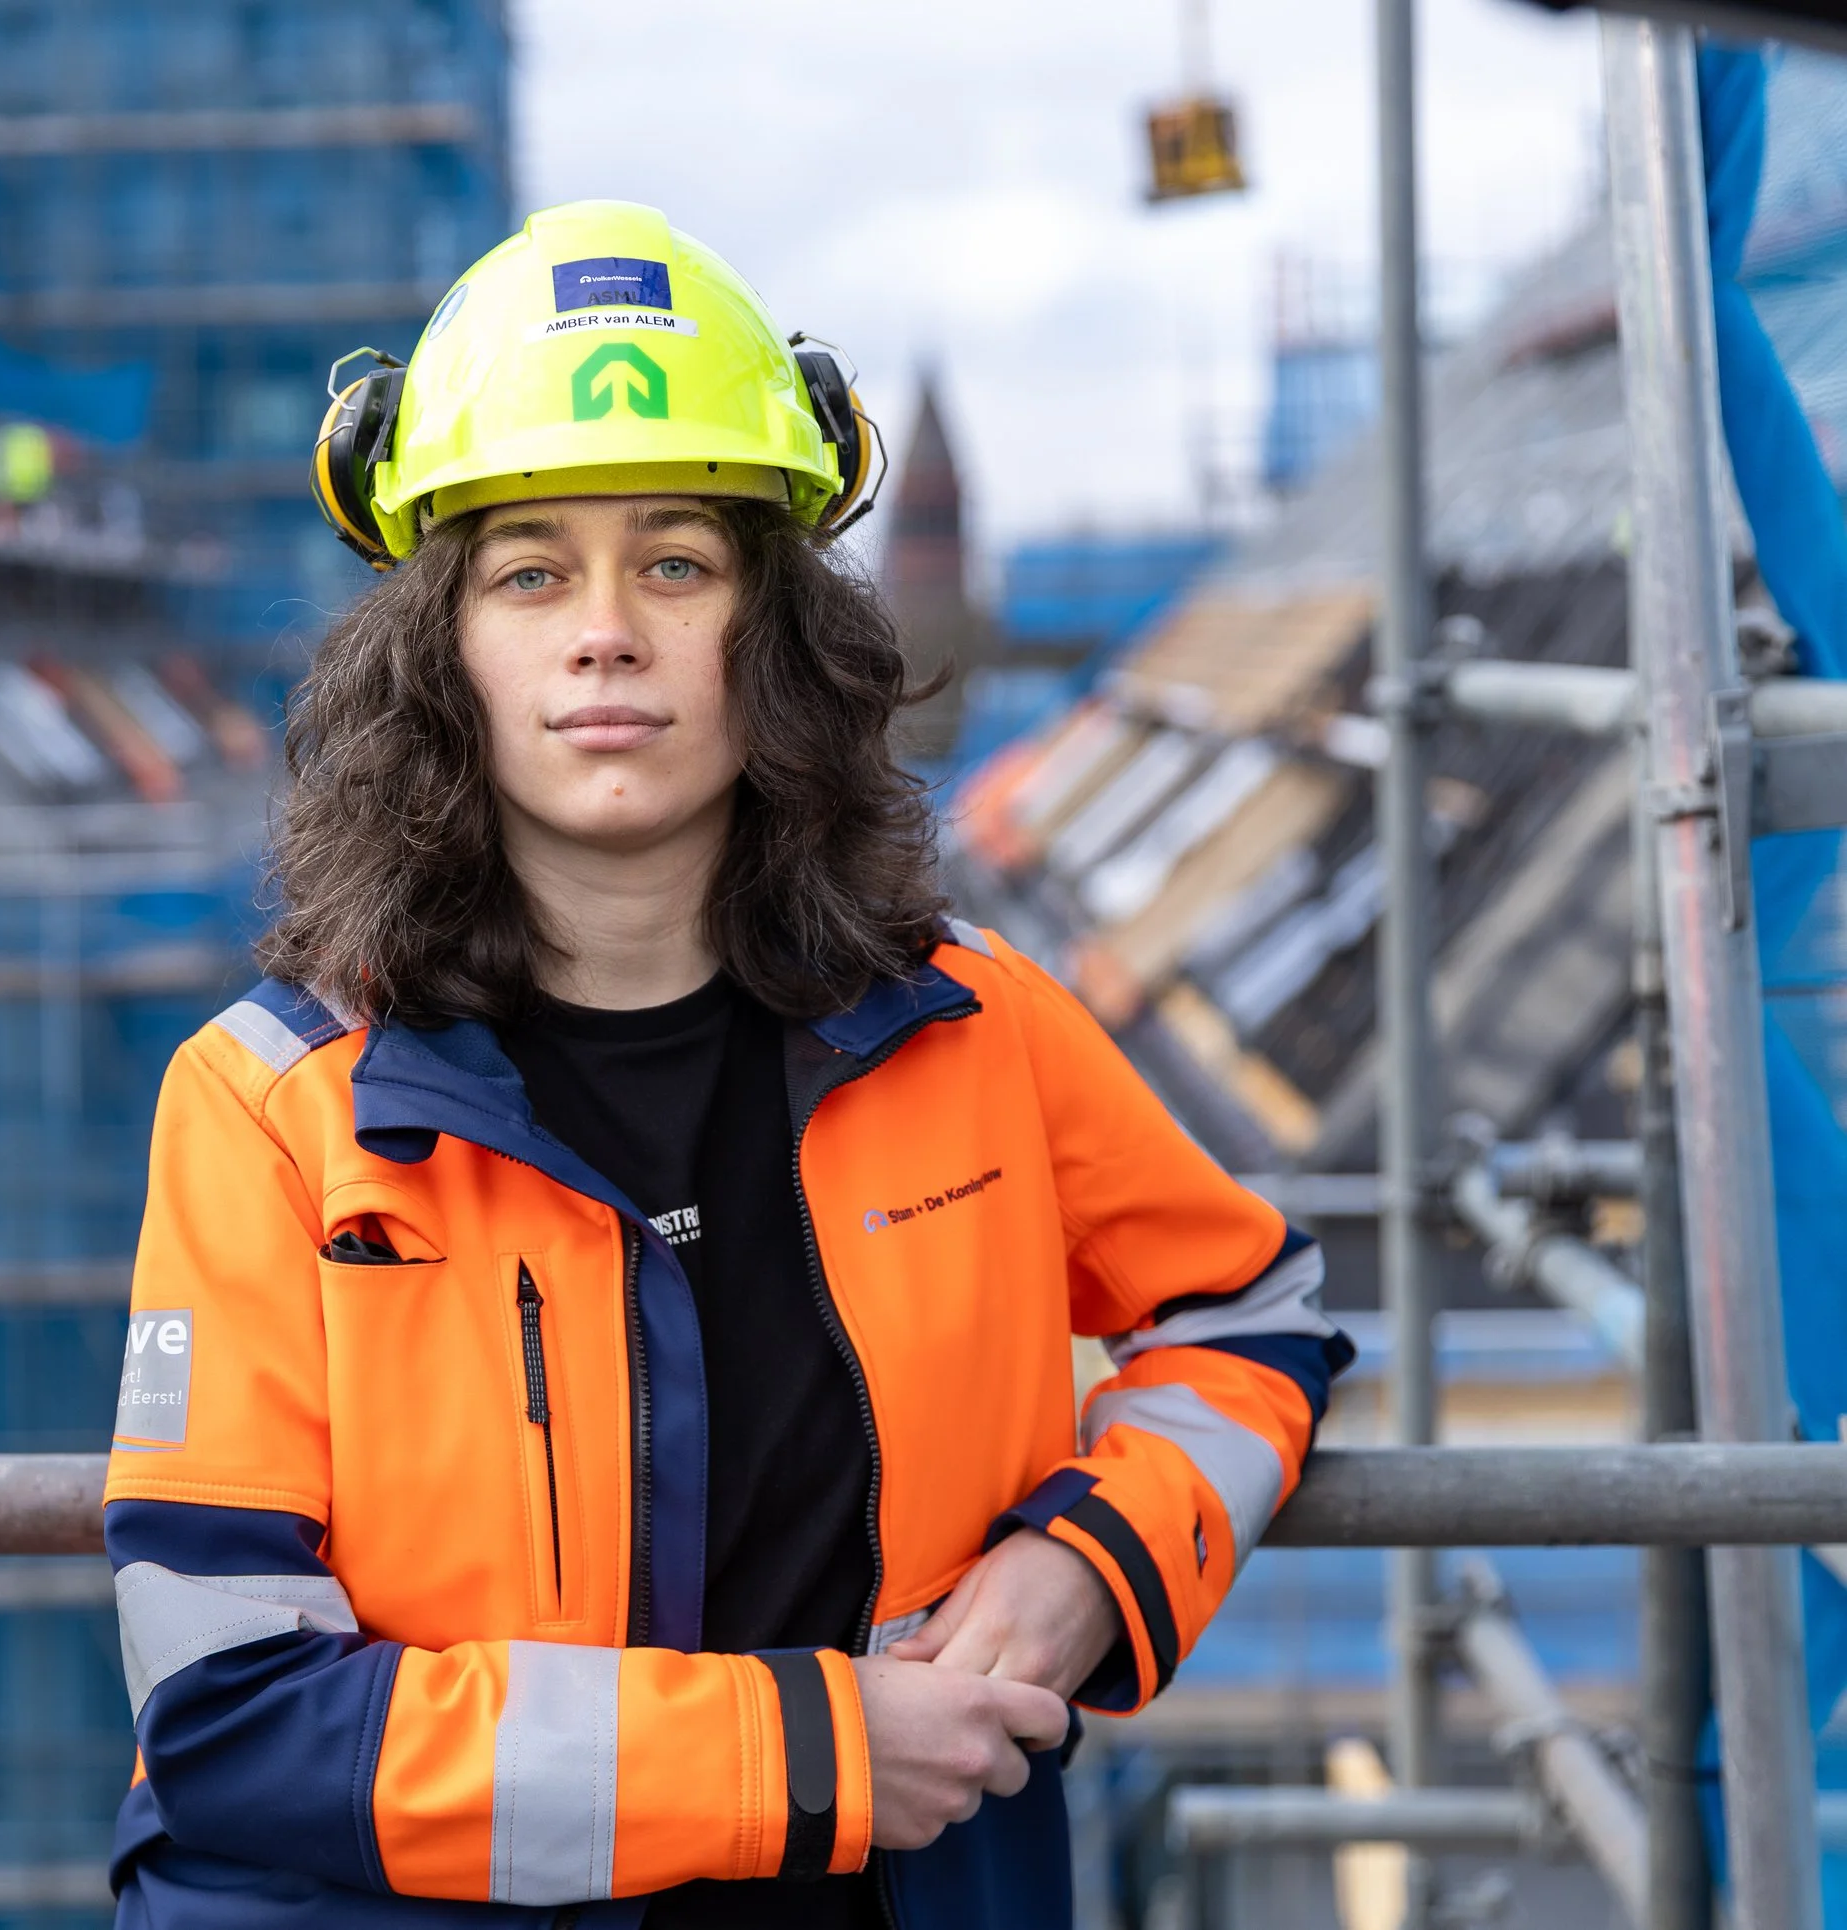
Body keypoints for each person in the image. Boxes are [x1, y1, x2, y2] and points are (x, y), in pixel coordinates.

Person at [101, 200, 1351, 1929]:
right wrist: (808, 1754)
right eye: (531, 571)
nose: (605, 631)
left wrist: (1090, 1566)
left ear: (770, 641)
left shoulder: (977, 1030)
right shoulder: (274, 1111)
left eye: (676, 565)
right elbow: (234, 1713)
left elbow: (1247, 1317)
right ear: (444, 653)